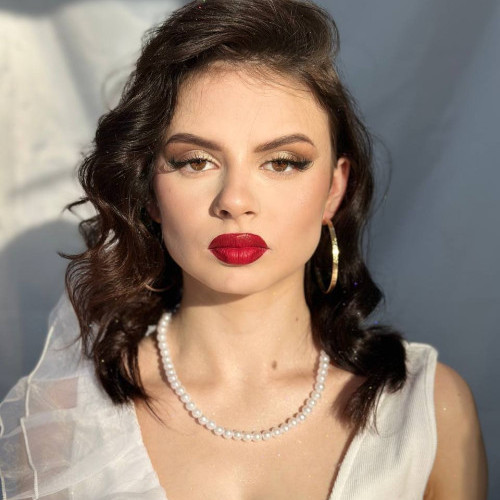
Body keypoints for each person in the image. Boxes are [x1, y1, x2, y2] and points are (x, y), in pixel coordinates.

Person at [0, 0, 488, 498]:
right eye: (195, 161)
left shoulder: (429, 410)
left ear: (334, 188)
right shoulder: (62, 423)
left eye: (281, 162)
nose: (235, 200)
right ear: (149, 191)